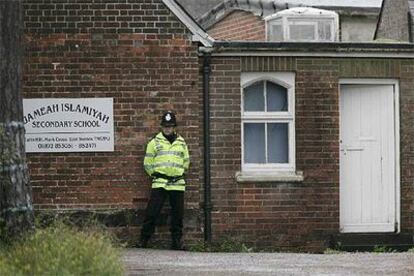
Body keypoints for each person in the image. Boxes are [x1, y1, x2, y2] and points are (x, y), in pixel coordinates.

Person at [138, 111, 190, 250]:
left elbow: (186, 162)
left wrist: (178, 173)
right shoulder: (154, 143)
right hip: (160, 182)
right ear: (162, 127)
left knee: (177, 215)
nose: (168, 128)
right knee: (152, 213)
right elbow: (147, 163)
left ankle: (176, 242)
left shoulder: (181, 142)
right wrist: (155, 175)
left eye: (170, 126)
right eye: (165, 126)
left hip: (177, 184)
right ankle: (144, 240)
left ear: (174, 127)